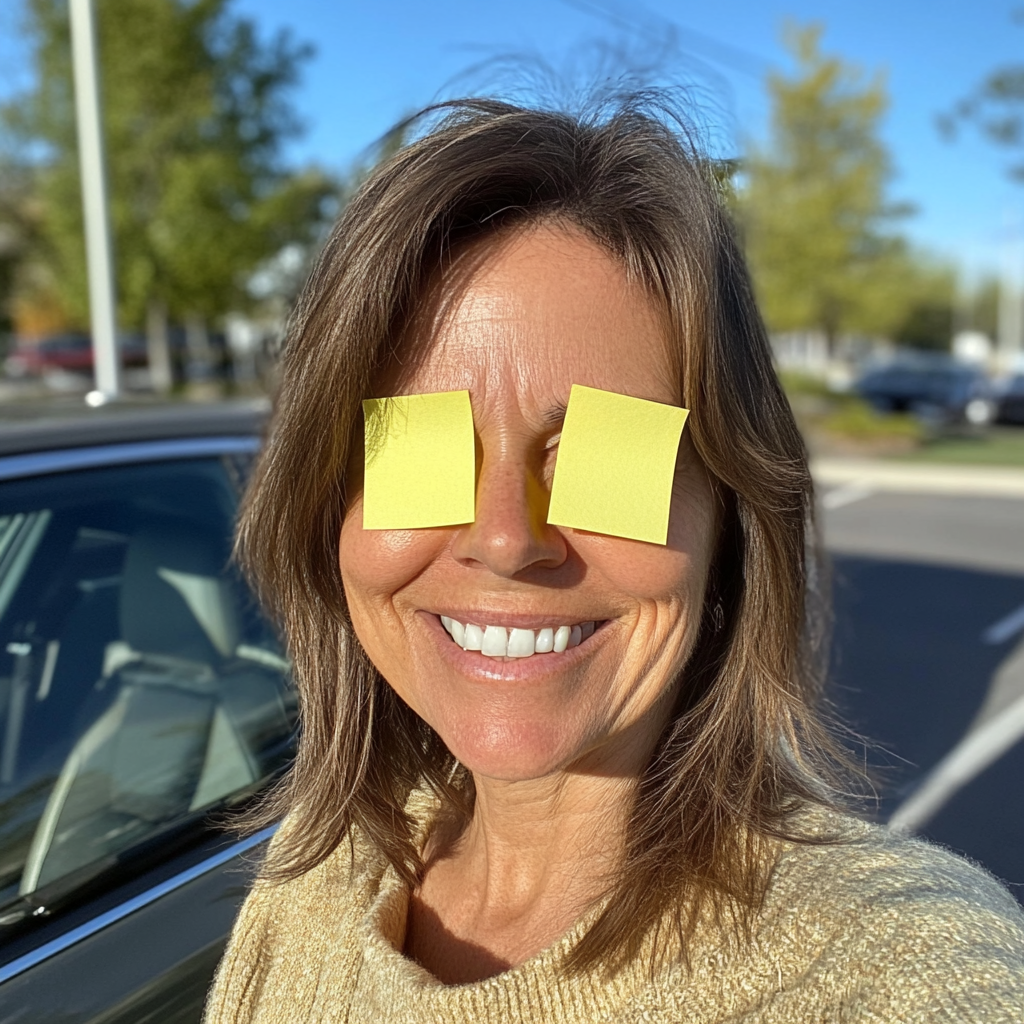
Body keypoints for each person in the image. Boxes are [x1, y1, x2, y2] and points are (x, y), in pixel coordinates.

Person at [204, 98, 1024, 1023]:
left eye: (606, 459)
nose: (507, 540)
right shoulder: (312, 882)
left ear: (728, 523)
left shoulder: (887, 967)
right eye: (416, 453)